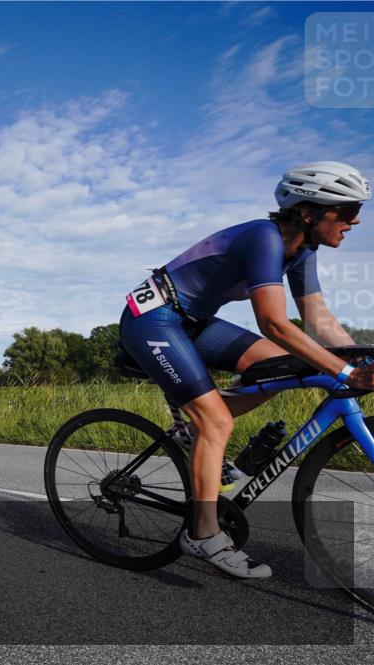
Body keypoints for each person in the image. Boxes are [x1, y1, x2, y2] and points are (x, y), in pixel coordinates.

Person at [119, 161, 374, 578]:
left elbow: (318, 319)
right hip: (153, 319)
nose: (356, 220)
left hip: (193, 321)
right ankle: (202, 533)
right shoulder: (264, 239)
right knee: (218, 420)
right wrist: (345, 374)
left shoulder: (303, 249)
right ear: (309, 213)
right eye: (346, 211)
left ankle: (198, 430)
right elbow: (273, 323)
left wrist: (358, 358)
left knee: (278, 367)